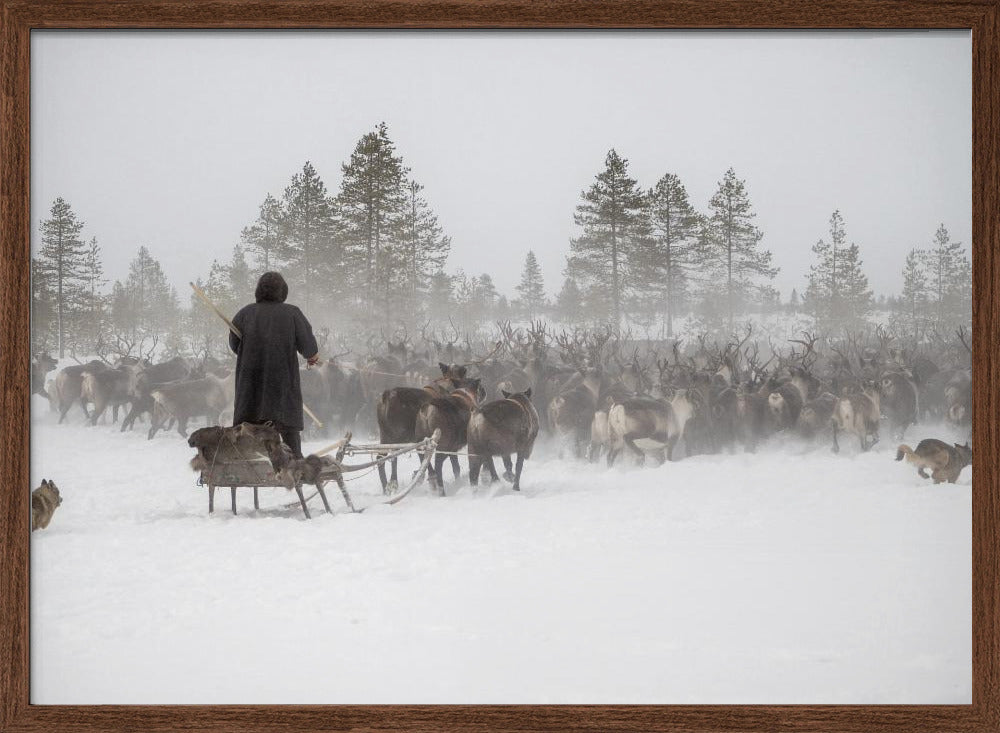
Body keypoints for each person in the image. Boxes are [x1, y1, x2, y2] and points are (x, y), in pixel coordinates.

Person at [229, 272, 319, 459]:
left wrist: (253, 355)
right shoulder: (292, 313)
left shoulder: (244, 313)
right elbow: (309, 349)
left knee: (247, 431)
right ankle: (295, 464)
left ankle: (245, 464)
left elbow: (234, 345)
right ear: (283, 291)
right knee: (289, 435)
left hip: (250, 389)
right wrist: (312, 357)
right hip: (282, 388)